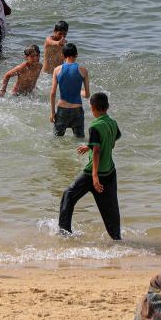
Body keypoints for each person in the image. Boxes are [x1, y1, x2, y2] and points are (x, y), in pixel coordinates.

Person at [58, 92, 122, 240]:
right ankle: (117, 240)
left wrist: (94, 177)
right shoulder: (112, 123)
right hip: (110, 172)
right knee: (111, 211)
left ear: (93, 108)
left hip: (93, 174)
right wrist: (90, 145)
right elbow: (113, 138)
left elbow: (97, 152)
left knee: (68, 195)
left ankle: (64, 234)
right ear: (107, 106)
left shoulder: (95, 126)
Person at [49, 42, 90, 138]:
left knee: (57, 140)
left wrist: (52, 113)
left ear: (62, 55)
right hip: (77, 110)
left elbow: (53, 93)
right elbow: (87, 94)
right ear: (76, 55)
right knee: (79, 140)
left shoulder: (57, 70)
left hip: (62, 110)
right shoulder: (83, 70)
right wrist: (79, 91)